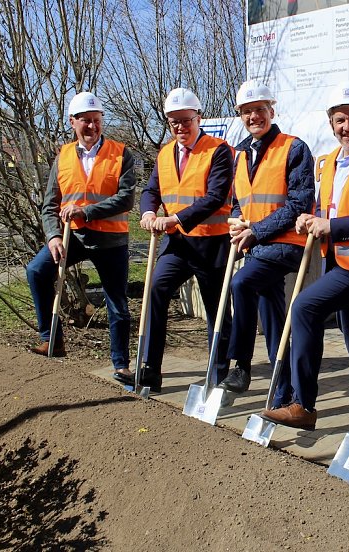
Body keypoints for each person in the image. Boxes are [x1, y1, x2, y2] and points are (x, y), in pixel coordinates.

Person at [259, 81, 349, 430]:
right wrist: (309, 219)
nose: (348, 127)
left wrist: (333, 226)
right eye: (340, 120)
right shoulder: (328, 163)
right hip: (341, 263)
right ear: (331, 124)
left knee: (304, 308)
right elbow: (327, 209)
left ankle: (303, 405)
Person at [125, 88, 234, 393]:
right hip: (177, 244)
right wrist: (147, 212)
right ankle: (150, 368)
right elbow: (151, 191)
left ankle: (220, 373)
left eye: (186, 120)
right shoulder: (164, 153)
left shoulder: (219, 151)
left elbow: (215, 197)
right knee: (156, 290)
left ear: (198, 118)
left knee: (217, 307)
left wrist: (175, 218)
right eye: (174, 122)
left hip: (211, 242)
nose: (180, 127)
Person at [26, 92, 134, 381]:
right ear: (72, 122)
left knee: (117, 304)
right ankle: (53, 338)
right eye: (85, 121)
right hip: (71, 237)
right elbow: (50, 204)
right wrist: (52, 237)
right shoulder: (62, 157)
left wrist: (86, 212)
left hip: (110, 239)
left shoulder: (121, 153)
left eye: (96, 121)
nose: (92, 126)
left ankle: (121, 364)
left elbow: (125, 199)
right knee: (37, 270)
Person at [220, 80, 314, 404]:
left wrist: (257, 231)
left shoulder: (294, 148)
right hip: (256, 246)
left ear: (271, 111)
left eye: (259, 109)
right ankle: (282, 395)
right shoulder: (240, 154)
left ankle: (241, 366)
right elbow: (238, 202)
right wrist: (237, 223)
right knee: (273, 321)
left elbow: (299, 203)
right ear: (240, 116)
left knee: (242, 284)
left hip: (285, 244)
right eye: (247, 112)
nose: (253, 116)